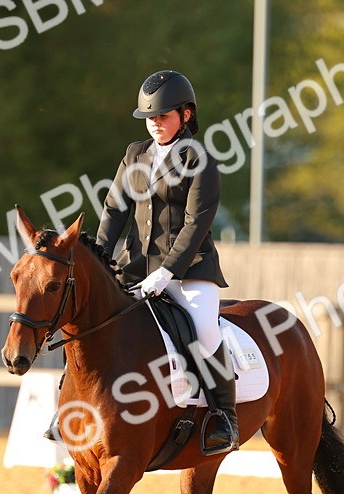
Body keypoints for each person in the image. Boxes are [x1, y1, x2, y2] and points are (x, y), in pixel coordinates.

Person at [96, 70, 238, 455]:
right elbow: (114, 209)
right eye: (150, 118)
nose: (155, 123)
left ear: (186, 114)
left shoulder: (200, 159)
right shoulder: (135, 155)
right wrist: (99, 257)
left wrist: (167, 272)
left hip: (190, 271)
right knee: (92, 321)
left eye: (162, 116)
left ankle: (225, 417)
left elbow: (197, 223)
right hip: (135, 268)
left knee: (206, 331)